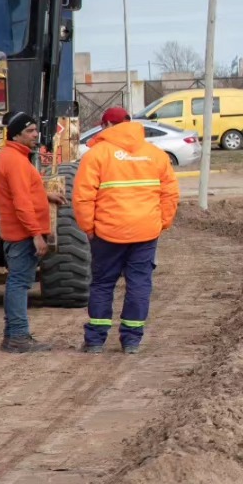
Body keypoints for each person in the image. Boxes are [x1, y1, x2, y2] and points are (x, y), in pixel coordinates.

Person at [73, 106, 179, 355]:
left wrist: (88, 227)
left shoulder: (96, 155)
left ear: (107, 125)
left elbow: (82, 197)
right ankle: (131, 340)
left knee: (102, 284)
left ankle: (96, 340)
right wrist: (161, 222)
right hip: (145, 232)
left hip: (107, 233)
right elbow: (170, 193)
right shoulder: (155, 155)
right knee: (139, 284)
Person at [0, 112, 64, 354]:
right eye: (30, 131)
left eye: (36, 130)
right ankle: (19, 338)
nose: (36, 135)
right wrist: (35, 233)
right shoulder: (14, 160)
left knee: (17, 282)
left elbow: (23, 191)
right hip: (21, 234)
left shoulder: (12, 157)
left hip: (16, 231)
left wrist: (45, 195)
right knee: (19, 284)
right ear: (16, 134)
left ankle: (12, 336)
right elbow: (21, 201)